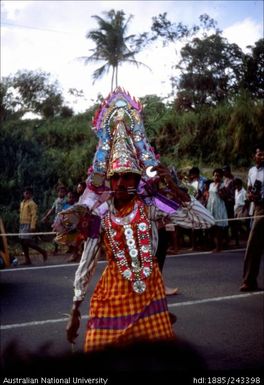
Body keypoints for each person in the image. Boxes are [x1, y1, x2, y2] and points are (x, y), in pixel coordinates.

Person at [57, 89, 214, 352]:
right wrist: (75, 308)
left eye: (129, 176)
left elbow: (204, 221)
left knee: (152, 363)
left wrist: (174, 188)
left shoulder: (152, 205)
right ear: (109, 180)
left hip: (149, 297)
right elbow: (87, 262)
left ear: (138, 179)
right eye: (116, 177)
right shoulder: (99, 213)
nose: (121, 183)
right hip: (111, 296)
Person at [240, 144, 264, 292]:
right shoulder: (252, 171)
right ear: (255, 155)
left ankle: (249, 280)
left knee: (254, 242)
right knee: (254, 244)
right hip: (258, 207)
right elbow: (250, 188)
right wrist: (250, 195)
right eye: (260, 154)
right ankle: (249, 281)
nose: (262, 157)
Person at [19, 187, 47, 265]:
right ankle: (27, 259)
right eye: (25, 193)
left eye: (28, 193)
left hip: (28, 224)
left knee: (27, 241)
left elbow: (34, 215)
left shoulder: (32, 203)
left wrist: (32, 226)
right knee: (22, 242)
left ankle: (43, 252)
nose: (26, 194)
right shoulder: (22, 203)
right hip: (22, 224)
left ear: (31, 195)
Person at [206, 168, 228, 252]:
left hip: (219, 206)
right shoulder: (211, 184)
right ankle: (214, 245)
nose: (216, 177)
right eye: (215, 175)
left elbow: (224, 197)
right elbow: (209, 195)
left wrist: (219, 190)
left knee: (218, 227)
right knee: (213, 227)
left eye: (218, 176)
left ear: (221, 177)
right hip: (211, 206)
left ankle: (219, 247)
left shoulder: (222, 185)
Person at [42, 185, 67, 254]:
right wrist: (46, 216)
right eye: (60, 192)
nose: (61, 193)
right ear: (57, 193)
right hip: (57, 218)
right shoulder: (56, 200)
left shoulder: (67, 200)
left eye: (63, 192)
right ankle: (56, 249)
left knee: (67, 233)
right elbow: (52, 209)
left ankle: (71, 248)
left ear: (65, 193)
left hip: (65, 218)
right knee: (56, 233)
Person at [222, 165, 236, 246]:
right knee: (226, 219)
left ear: (228, 171)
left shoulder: (233, 180)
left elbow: (233, 193)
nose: (224, 173)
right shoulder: (225, 179)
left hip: (230, 202)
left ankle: (233, 237)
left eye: (225, 171)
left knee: (230, 220)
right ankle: (227, 237)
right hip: (225, 201)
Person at [233, 177, 249, 246]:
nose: (236, 186)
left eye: (237, 185)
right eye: (235, 185)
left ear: (240, 184)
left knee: (240, 224)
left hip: (242, 208)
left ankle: (246, 236)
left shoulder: (244, 192)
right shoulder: (236, 191)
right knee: (236, 226)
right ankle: (237, 241)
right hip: (236, 208)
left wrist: (242, 211)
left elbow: (246, 202)